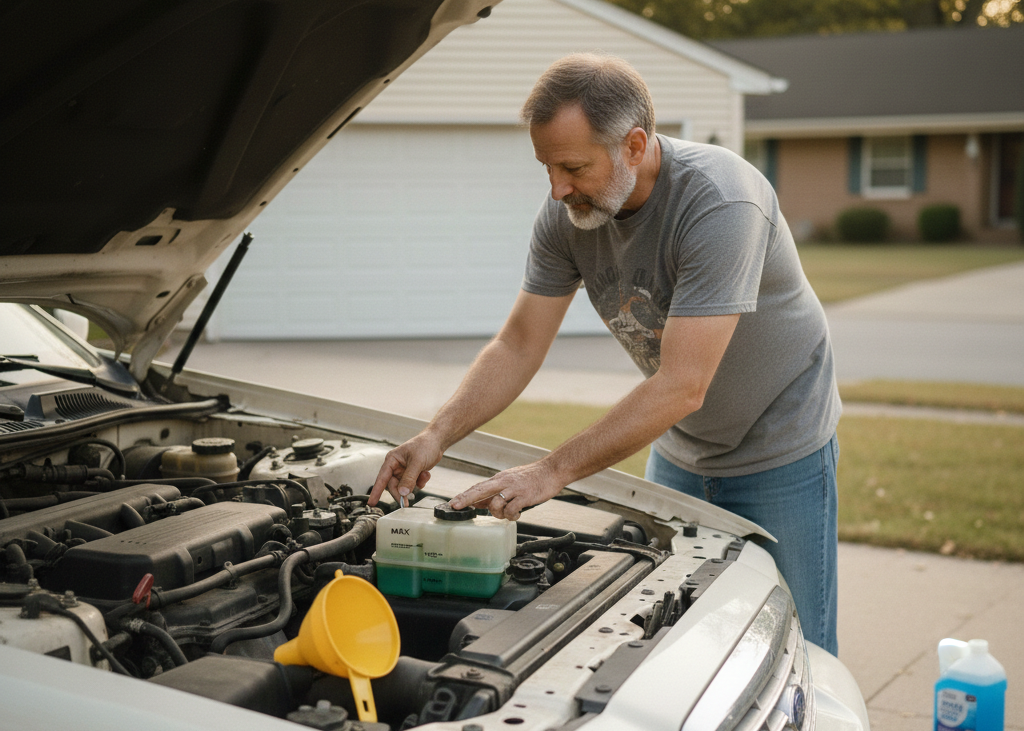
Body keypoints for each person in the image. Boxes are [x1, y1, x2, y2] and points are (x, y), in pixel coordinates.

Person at [369, 53, 841, 655]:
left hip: (781, 447)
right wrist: (437, 435)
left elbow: (681, 384)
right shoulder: (568, 216)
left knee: (794, 644)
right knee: (679, 643)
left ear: (635, 146)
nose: (557, 188)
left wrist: (551, 471)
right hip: (680, 448)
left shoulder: (721, 203)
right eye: (546, 167)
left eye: (572, 167)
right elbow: (518, 344)